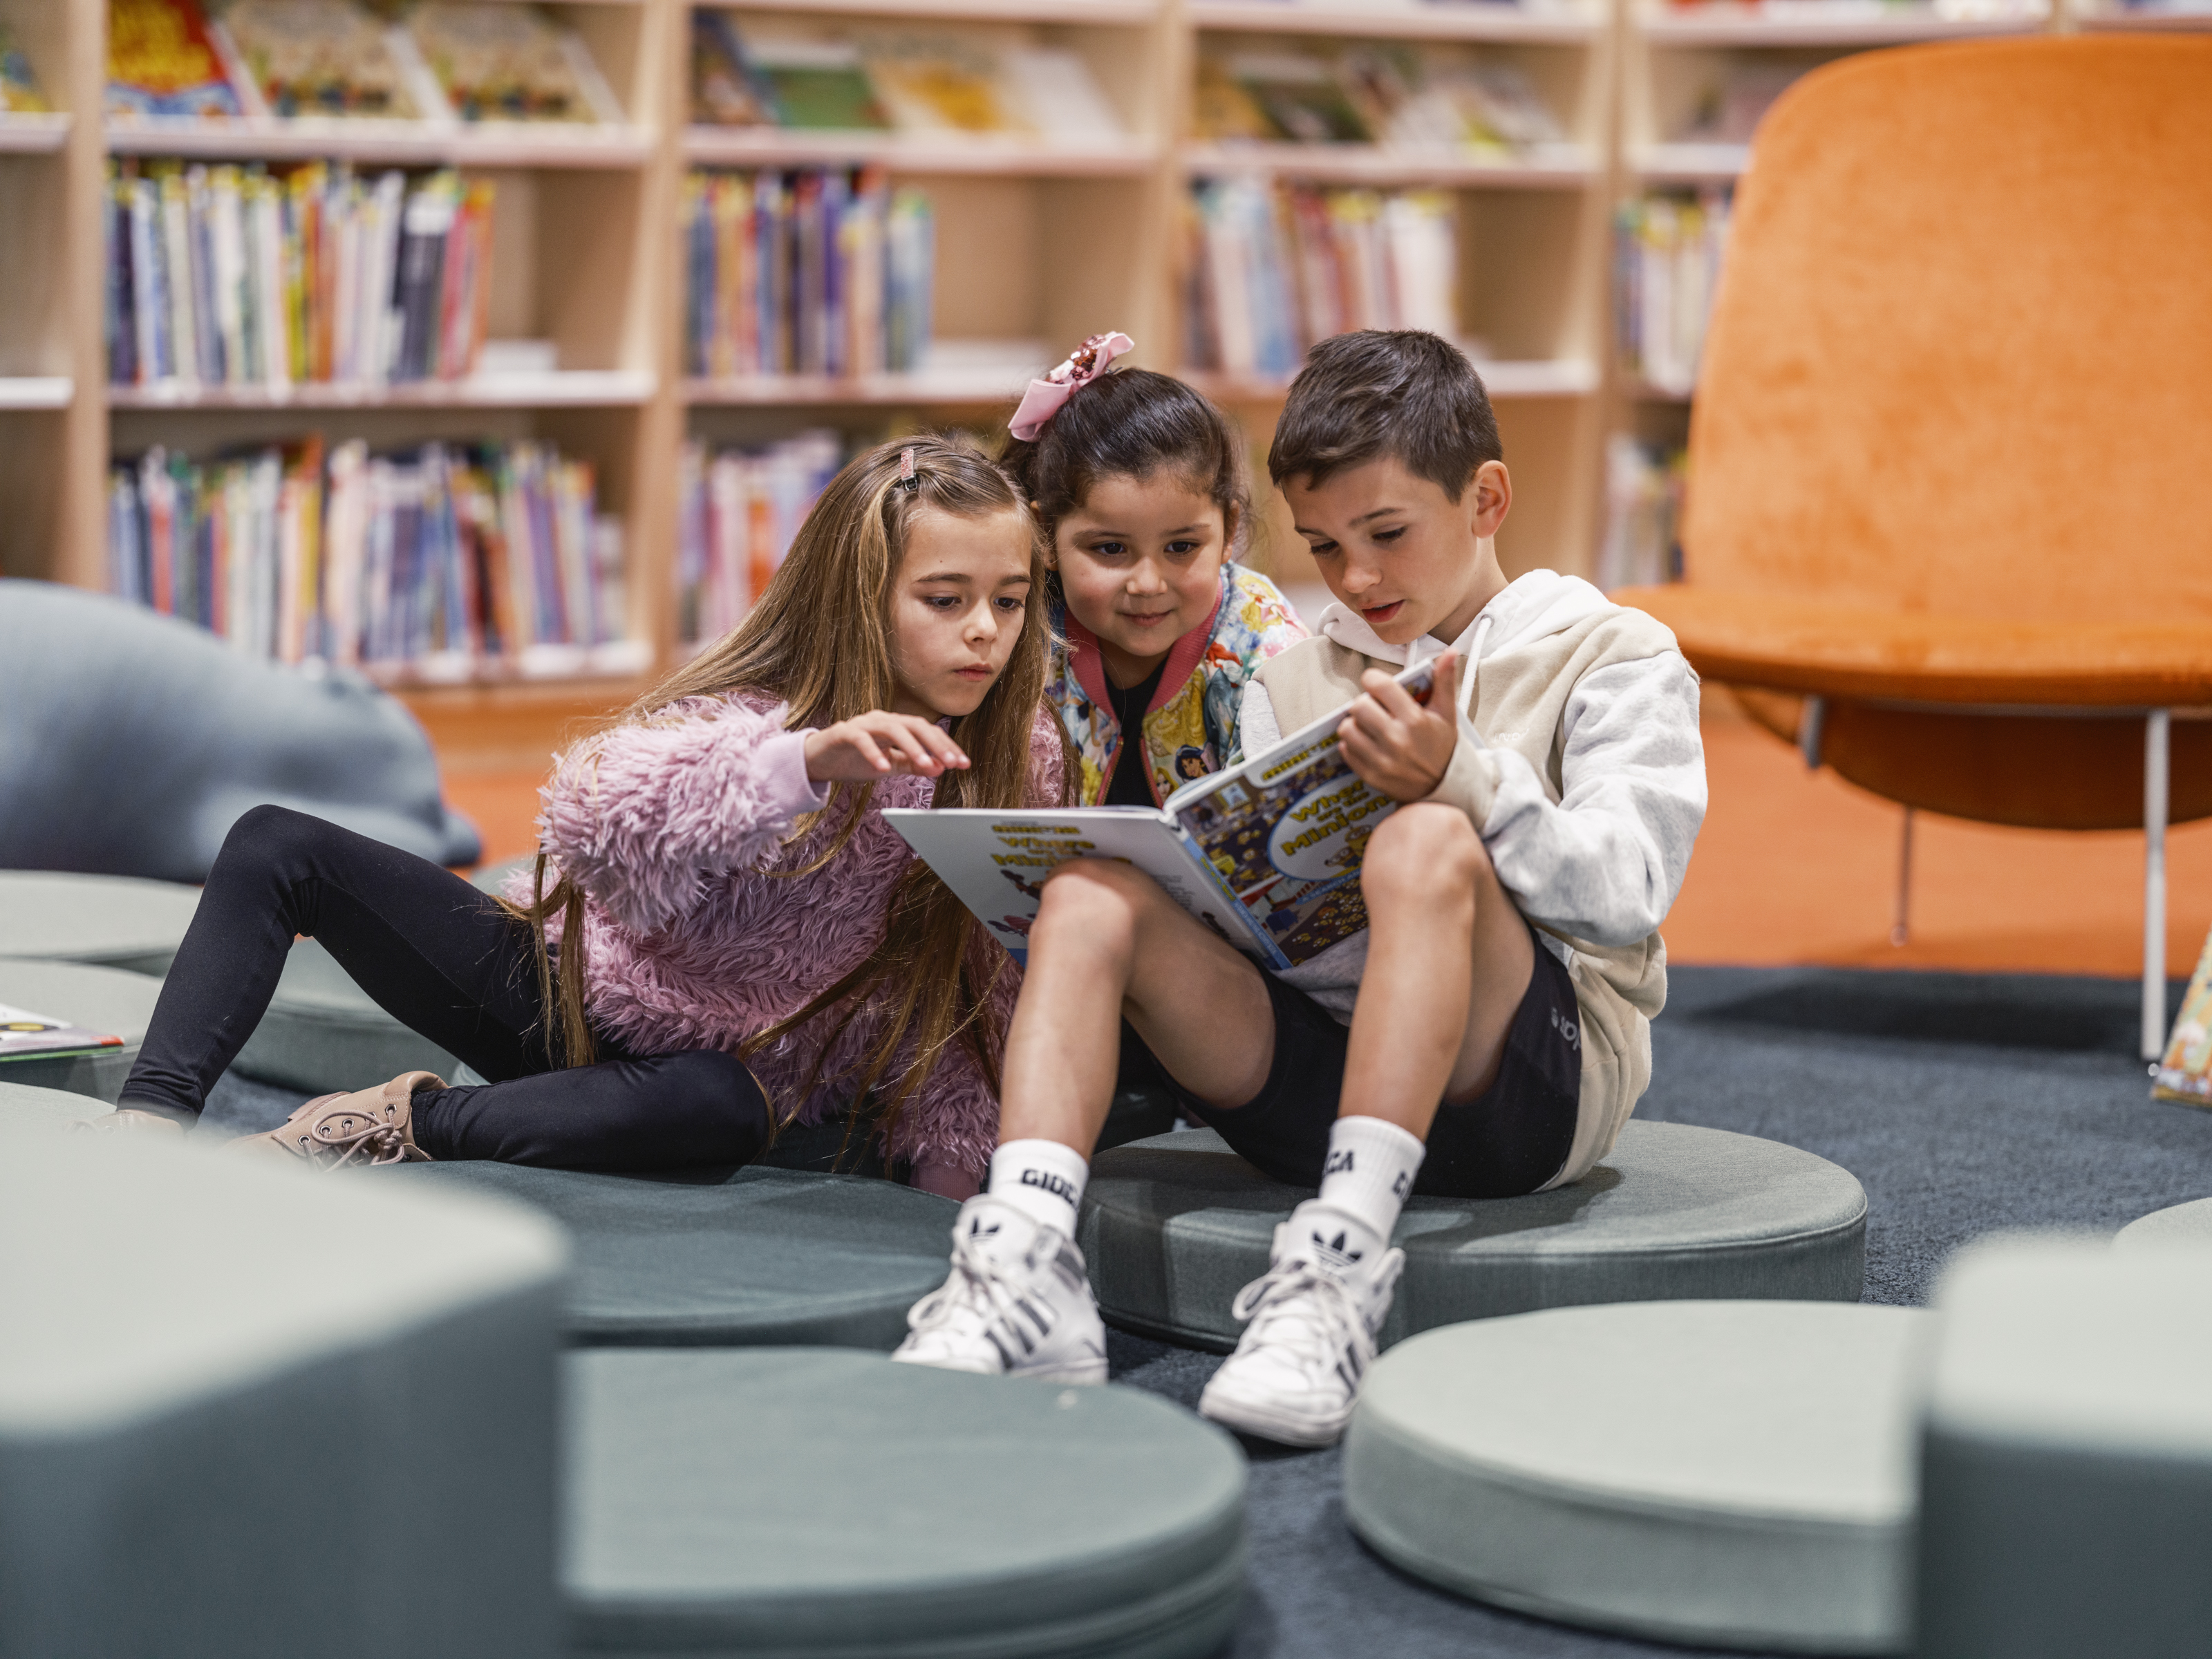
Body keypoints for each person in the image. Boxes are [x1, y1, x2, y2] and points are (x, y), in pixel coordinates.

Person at [892, 332, 1707, 1442]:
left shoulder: (1612, 652)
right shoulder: (1293, 674)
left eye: (1387, 535)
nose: (1358, 578)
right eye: (1324, 546)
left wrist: (1463, 781)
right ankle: (1028, 1268)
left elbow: (1629, 891)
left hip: (1526, 1097)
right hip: (1318, 1075)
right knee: (1089, 892)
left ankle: (1333, 1278)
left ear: (1487, 499)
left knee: (1421, 841)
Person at [90, 436, 1064, 1196]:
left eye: (1011, 602)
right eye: (945, 599)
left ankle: (406, 1125)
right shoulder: (757, 716)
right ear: (859, 597)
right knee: (277, 843)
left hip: (724, 1082)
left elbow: (982, 1000)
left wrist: (946, 1184)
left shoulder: (1021, 764)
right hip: (568, 999)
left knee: (720, 1100)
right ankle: (147, 1127)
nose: (985, 631)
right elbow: (594, 825)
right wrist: (798, 764)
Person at [999, 331, 1306, 809]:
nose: (1147, 584)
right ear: (1045, 537)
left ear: (1228, 529)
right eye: (1110, 549)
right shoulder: (1013, 630)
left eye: (1182, 546)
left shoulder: (1268, 653)